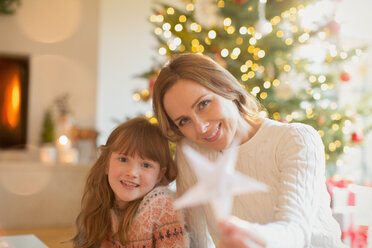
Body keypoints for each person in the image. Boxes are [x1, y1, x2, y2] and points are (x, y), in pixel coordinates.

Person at [152, 53, 345, 248]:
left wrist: (251, 235)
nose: (201, 127)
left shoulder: (295, 139)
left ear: (226, 88)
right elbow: (195, 241)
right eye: (184, 121)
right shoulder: (192, 152)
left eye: (203, 104)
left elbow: (295, 232)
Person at [72, 117, 189, 248]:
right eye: (123, 159)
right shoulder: (102, 203)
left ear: (159, 176)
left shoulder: (162, 207)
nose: (132, 173)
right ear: (106, 164)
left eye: (146, 165)